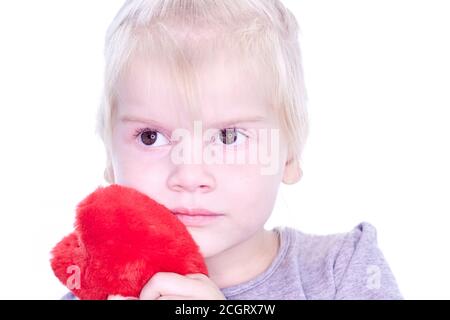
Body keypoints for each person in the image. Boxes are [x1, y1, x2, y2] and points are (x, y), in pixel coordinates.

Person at [63, 0, 402, 300]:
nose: (190, 175)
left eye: (227, 137)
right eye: (151, 136)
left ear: (288, 155)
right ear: (110, 158)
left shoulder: (342, 272)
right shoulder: (96, 289)